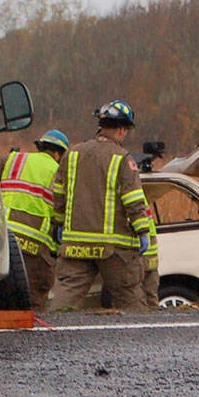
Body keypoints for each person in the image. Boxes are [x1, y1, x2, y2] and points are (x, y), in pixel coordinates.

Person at [50, 100, 155, 311]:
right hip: (113, 249)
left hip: (75, 246)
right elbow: (133, 200)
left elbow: (59, 194)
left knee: (65, 299)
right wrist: (142, 230)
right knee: (130, 299)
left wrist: (58, 224)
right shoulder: (122, 158)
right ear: (122, 130)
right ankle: (143, 342)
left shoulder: (73, 154)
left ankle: (52, 339)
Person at [0, 128, 69, 308]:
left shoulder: (15, 159)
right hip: (35, 245)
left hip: (3, 237)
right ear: (57, 153)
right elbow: (64, 209)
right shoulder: (59, 171)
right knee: (33, 298)